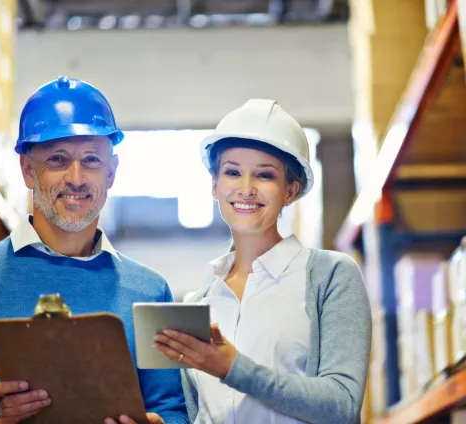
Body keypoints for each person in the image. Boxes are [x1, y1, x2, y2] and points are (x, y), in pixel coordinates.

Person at [0, 76, 188, 424]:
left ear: (112, 172)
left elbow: (175, 411)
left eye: (91, 161)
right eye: (57, 159)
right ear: (28, 170)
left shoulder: (155, 293)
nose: (76, 177)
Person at [153, 99, 371, 424]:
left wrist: (233, 368)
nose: (245, 189)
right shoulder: (199, 302)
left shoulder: (329, 277)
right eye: (232, 172)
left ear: (291, 191)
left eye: (264, 175)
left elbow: (342, 405)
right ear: (215, 185)